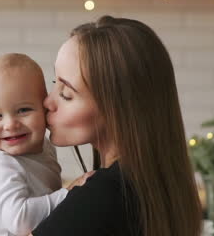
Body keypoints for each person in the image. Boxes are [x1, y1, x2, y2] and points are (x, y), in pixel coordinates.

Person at [31, 16, 203, 236]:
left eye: (66, 94)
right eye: (55, 84)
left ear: (118, 108)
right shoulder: (161, 190)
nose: (47, 102)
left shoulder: (102, 195)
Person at [0, 53, 69, 236]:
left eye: (23, 110)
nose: (10, 125)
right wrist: (69, 193)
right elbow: (20, 221)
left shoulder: (45, 147)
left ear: (45, 107)